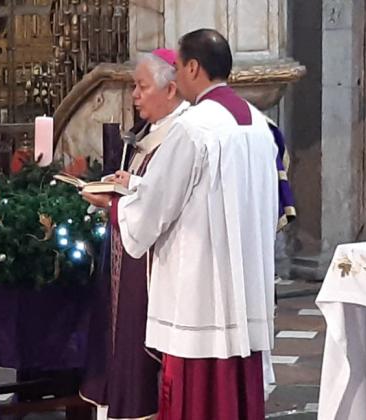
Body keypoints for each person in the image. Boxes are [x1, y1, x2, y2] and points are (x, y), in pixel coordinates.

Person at [83, 29, 278, 420]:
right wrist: (138, 187)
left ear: (193, 67)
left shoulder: (193, 128)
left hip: (200, 288)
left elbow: (155, 208)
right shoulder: (259, 125)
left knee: (198, 394)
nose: (176, 75)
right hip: (244, 281)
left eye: (178, 67)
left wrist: (114, 206)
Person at [80, 49, 189, 420]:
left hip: (152, 264)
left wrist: (112, 202)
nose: (135, 96)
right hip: (129, 254)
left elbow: (168, 202)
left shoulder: (182, 135)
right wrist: (132, 183)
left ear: (171, 89)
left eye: (142, 87)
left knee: (137, 346)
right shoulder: (155, 134)